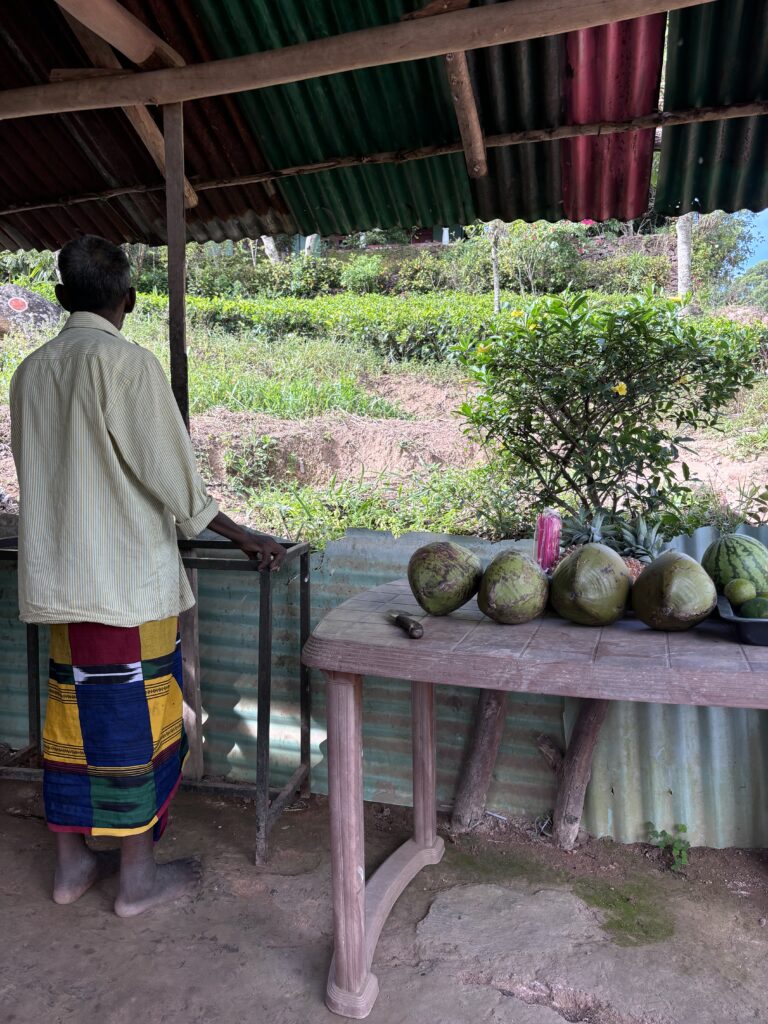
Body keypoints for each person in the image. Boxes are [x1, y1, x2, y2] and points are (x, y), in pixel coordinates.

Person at [10, 234, 285, 916]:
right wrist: (245, 535)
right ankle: (136, 878)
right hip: (126, 589)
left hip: (63, 590)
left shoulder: (29, 372)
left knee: (71, 724)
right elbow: (177, 484)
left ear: (61, 297)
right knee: (134, 724)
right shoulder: (127, 366)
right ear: (128, 300)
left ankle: (72, 867)